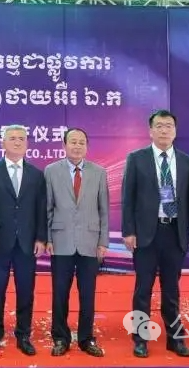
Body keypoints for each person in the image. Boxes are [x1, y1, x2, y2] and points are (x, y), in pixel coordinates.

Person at [121, 109, 189, 358]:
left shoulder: (186, 161)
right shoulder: (137, 158)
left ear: (175, 131)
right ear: (150, 130)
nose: (164, 130)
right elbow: (128, 198)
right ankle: (140, 339)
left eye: (169, 126)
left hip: (175, 232)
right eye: (159, 126)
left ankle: (175, 340)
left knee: (172, 290)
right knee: (143, 289)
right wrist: (128, 231)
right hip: (146, 233)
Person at [0, 125, 47, 356]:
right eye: (12, 138)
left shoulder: (36, 174)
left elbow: (41, 209)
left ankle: (23, 335)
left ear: (27, 144)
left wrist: (41, 238)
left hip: (27, 242)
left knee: (26, 290)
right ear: (3, 143)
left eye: (21, 139)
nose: (17, 142)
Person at [44, 127, 108, 357]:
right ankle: (60, 338)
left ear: (87, 146)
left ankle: (86, 338)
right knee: (60, 293)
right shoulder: (51, 171)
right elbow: (47, 208)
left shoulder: (99, 172)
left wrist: (103, 241)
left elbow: (103, 210)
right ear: (64, 145)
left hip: (90, 241)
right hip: (60, 240)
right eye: (73, 142)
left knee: (87, 294)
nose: (77, 146)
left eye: (82, 142)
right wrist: (47, 238)